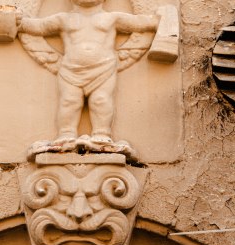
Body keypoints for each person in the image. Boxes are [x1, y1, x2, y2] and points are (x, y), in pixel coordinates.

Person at [15, 0, 159, 146]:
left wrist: (159, 19)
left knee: (101, 100)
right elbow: (39, 27)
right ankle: (66, 133)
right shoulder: (63, 19)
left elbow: (140, 23)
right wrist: (18, 21)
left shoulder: (113, 18)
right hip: (70, 70)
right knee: (69, 101)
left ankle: (102, 133)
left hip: (103, 68)